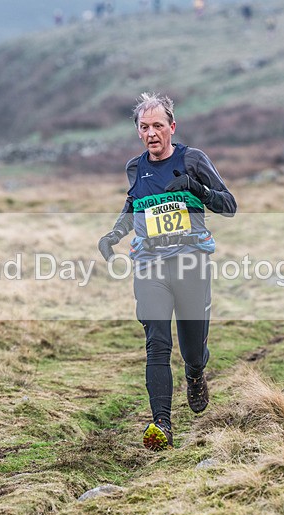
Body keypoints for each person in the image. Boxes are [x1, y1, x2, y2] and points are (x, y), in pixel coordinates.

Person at [97, 92, 236, 451]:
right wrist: (113, 235)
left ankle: (195, 374)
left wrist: (195, 186)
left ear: (172, 127)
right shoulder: (134, 167)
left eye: (158, 125)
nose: (152, 133)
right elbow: (133, 205)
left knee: (192, 349)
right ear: (139, 132)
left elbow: (229, 205)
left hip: (191, 261)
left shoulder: (193, 160)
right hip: (149, 264)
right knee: (157, 343)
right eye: (144, 127)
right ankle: (162, 424)